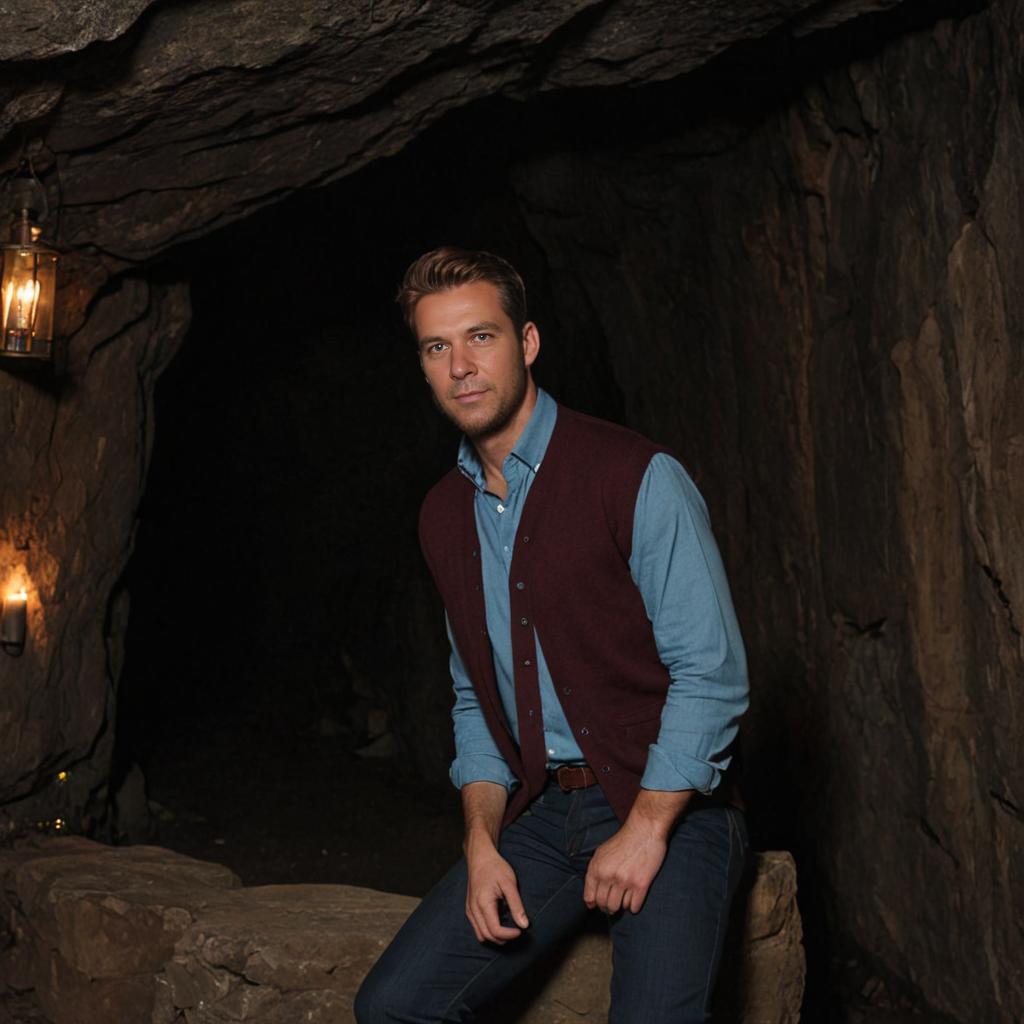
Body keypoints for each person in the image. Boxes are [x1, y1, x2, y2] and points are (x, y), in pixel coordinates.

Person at [355, 247, 749, 1023]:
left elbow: (713, 674)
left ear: (527, 343)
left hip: (672, 803)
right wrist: (480, 841)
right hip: (546, 815)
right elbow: (475, 696)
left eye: (482, 337)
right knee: (393, 1007)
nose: (461, 366)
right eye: (438, 347)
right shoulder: (443, 514)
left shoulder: (635, 474)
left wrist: (644, 830)